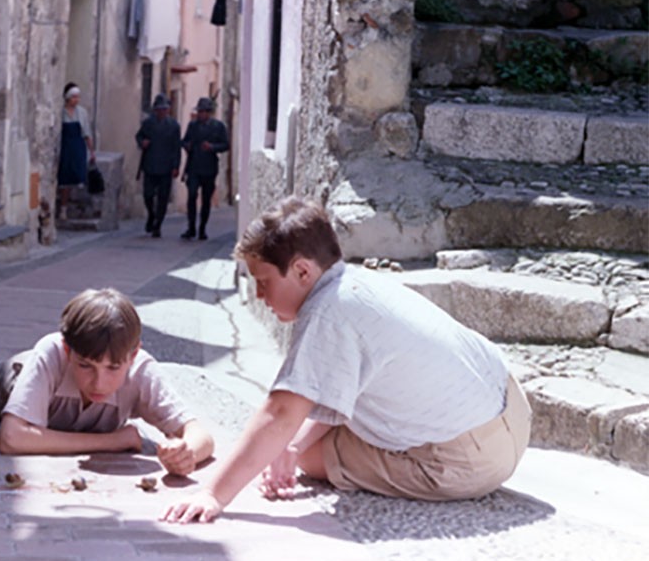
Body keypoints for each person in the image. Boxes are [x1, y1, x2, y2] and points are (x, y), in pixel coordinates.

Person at [160, 196, 531, 523]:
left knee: (312, 456)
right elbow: (334, 386)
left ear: (303, 271)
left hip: (468, 462)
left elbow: (281, 413)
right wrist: (288, 444)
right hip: (511, 409)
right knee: (300, 440)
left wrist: (213, 494)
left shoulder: (327, 313)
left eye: (264, 281)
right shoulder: (356, 283)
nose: (259, 294)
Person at [0, 288, 215, 476]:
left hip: (49, 412)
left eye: (113, 368)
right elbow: (12, 438)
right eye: (86, 366)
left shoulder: (140, 369)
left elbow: (199, 434)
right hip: (12, 381)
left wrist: (186, 454)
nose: (99, 382)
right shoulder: (52, 352)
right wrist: (112, 442)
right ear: (68, 351)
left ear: (133, 355)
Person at [180, 97, 228, 241]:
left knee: (206, 200)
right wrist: (187, 145)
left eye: (204, 112)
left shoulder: (218, 127)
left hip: (209, 168)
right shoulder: (192, 126)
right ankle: (191, 227)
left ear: (209, 113)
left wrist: (212, 147)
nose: (201, 115)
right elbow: (184, 140)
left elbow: (225, 145)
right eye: (200, 112)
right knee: (192, 196)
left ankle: (202, 228)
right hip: (193, 166)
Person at [136, 94, 182, 238]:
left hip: (166, 166)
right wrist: (142, 142)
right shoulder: (148, 123)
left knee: (163, 197)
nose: (162, 112)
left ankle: (158, 225)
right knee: (148, 195)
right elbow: (139, 136)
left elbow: (176, 147)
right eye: (159, 109)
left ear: (168, 110)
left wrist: (176, 166)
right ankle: (151, 214)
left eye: (164, 109)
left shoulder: (174, 126)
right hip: (150, 164)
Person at [57, 82, 95, 220]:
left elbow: (86, 133)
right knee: (64, 179)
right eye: (73, 97)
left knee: (77, 176)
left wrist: (91, 151)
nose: (76, 100)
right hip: (66, 147)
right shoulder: (60, 112)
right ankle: (63, 208)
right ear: (67, 97)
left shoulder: (82, 112)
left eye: (78, 97)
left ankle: (72, 207)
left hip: (77, 147)